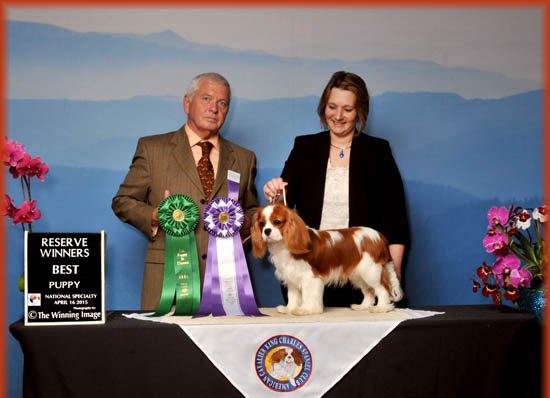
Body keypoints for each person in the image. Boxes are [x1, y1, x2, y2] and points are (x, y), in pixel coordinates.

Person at [112, 72, 259, 310]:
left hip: (227, 288)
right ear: (187, 103)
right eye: (207, 99)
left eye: (223, 103)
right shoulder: (152, 149)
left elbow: (251, 209)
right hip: (167, 287)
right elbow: (123, 201)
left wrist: (242, 222)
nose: (214, 108)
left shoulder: (244, 158)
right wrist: (156, 215)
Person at [263, 71, 409, 307]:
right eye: (332, 107)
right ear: (323, 107)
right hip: (308, 269)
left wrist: (393, 271)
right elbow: (284, 205)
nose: (338, 116)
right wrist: (275, 193)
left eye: (347, 109)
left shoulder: (378, 151)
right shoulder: (304, 147)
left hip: (360, 272)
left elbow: (395, 219)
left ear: (360, 112)